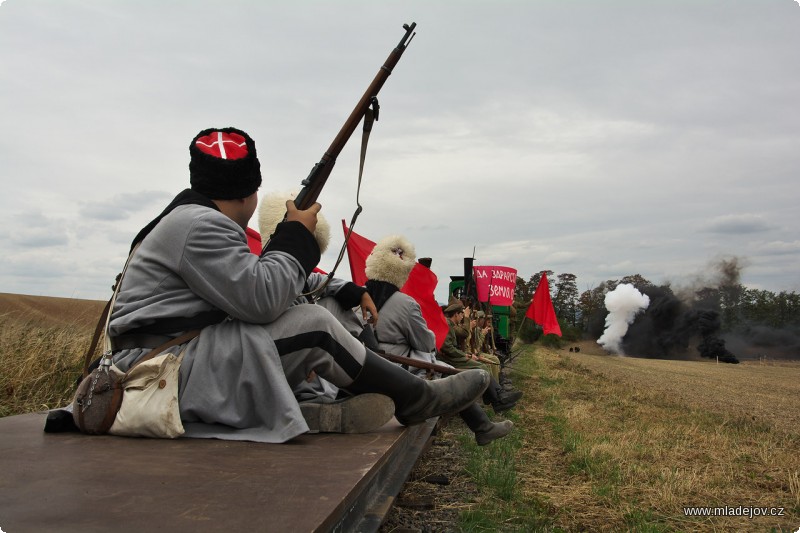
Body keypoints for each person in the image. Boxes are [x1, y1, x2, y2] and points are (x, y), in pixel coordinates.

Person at [107, 127, 490, 442]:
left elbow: (248, 289)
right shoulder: (201, 225)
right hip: (161, 373)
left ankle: (308, 405)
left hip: (170, 363)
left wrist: (343, 287)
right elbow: (263, 300)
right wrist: (295, 236)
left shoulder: (187, 220)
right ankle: (416, 399)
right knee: (313, 325)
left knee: (296, 325)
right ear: (248, 192)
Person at [362, 235, 513, 446]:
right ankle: (483, 426)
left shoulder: (356, 299)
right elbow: (425, 343)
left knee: (447, 369)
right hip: (399, 369)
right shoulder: (405, 304)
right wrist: (431, 335)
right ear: (401, 273)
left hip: (367, 368)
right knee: (450, 374)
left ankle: (484, 425)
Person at [440, 302, 522, 413]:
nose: (462, 317)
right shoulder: (447, 324)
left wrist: (466, 354)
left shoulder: (449, 324)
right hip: (449, 359)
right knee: (482, 368)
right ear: (456, 314)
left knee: (483, 366)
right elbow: (447, 348)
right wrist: (465, 355)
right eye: (461, 315)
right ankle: (497, 398)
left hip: (453, 357)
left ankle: (497, 396)